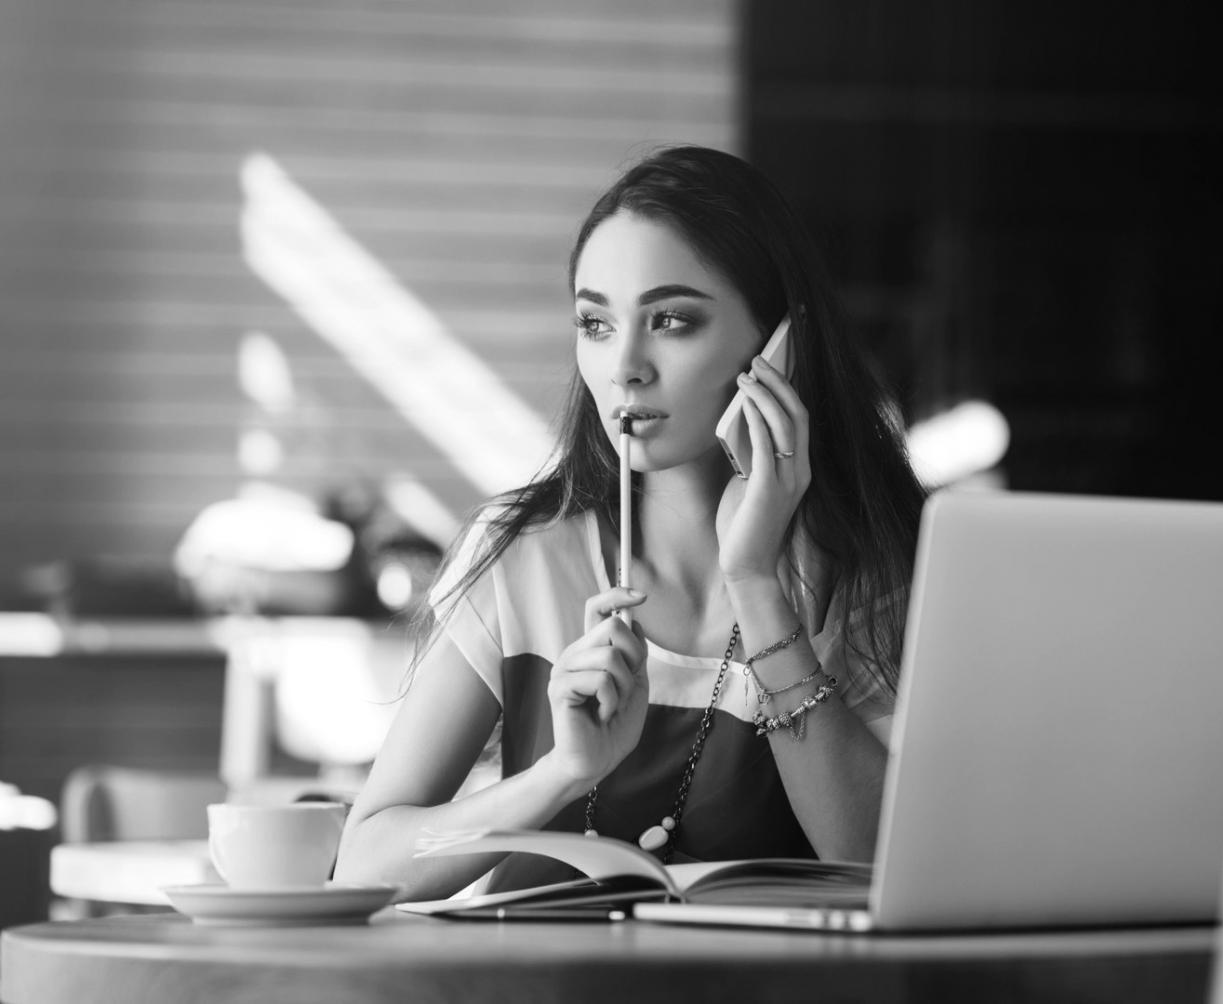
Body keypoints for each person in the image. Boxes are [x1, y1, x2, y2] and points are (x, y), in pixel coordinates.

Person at [334, 146, 927, 901]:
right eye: (595, 322)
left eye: (672, 320)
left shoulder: (864, 568)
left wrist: (755, 583)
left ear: (781, 340)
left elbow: (882, 867)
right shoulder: (524, 556)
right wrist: (561, 773)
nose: (625, 367)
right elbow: (365, 864)